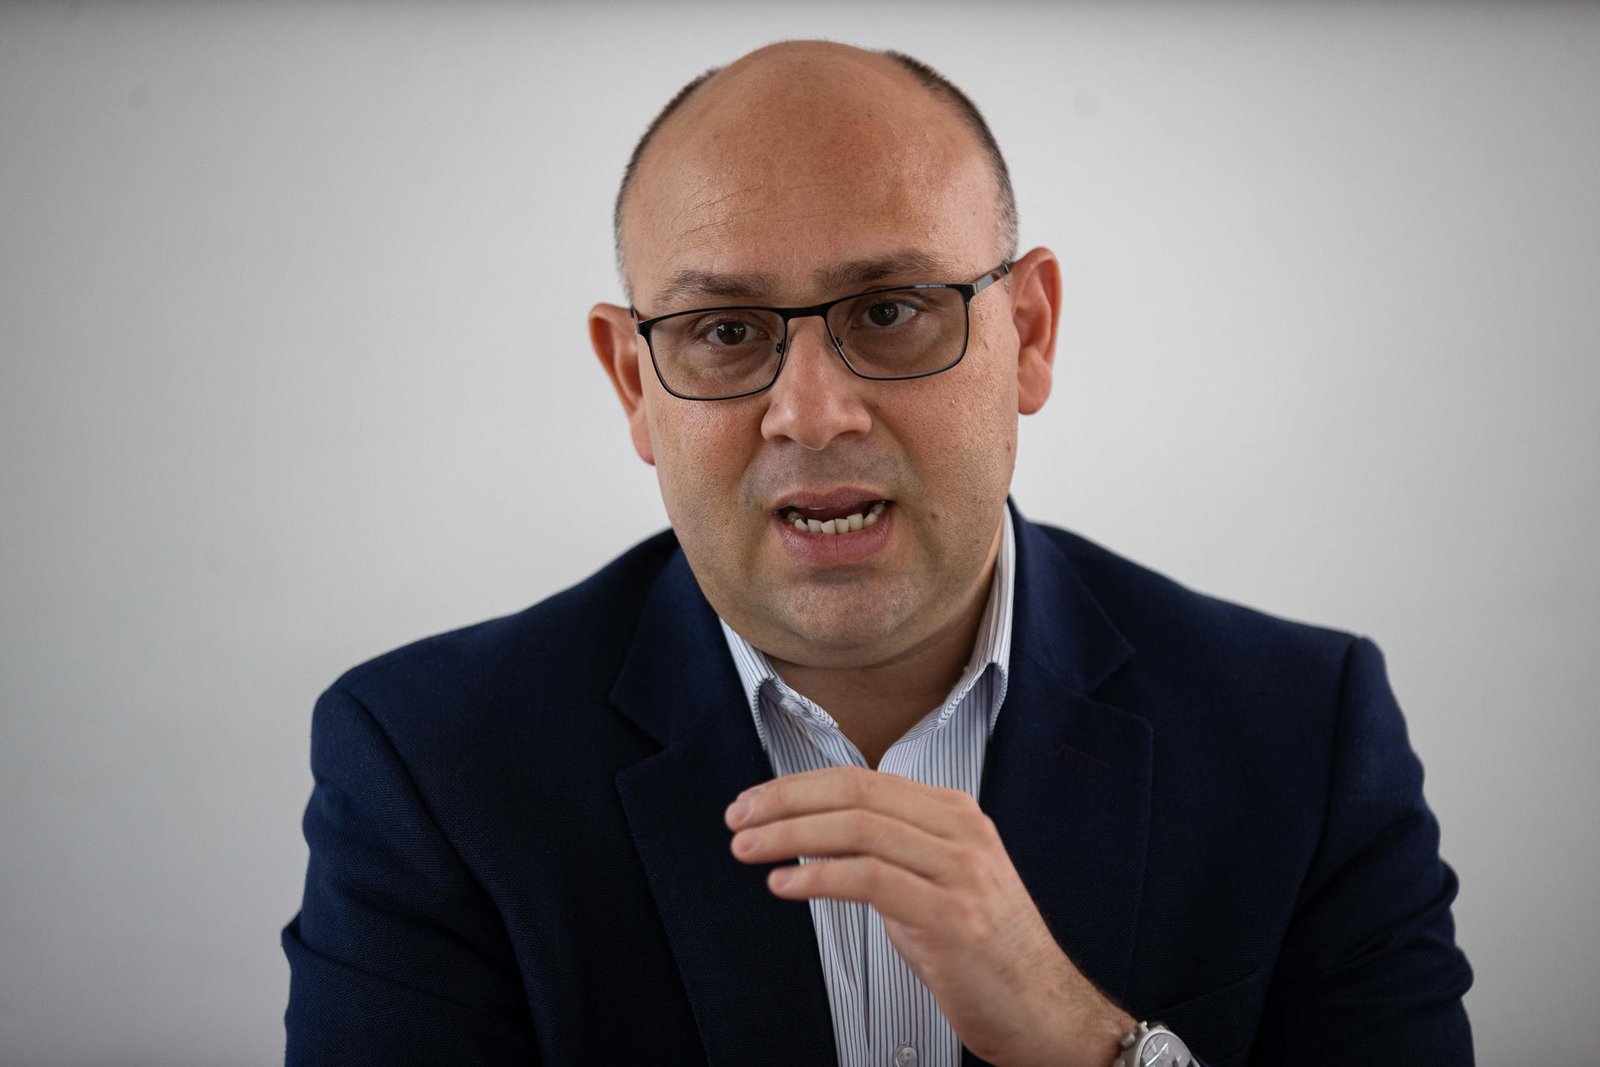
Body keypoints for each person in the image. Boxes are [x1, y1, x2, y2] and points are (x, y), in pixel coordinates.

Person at [282, 40, 1473, 1066]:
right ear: (633, 383)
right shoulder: (431, 764)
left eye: (891, 310)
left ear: (1029, 332)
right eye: (725, 330)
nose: (812, 414)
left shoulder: (1301, 731)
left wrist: (1091, 1042)